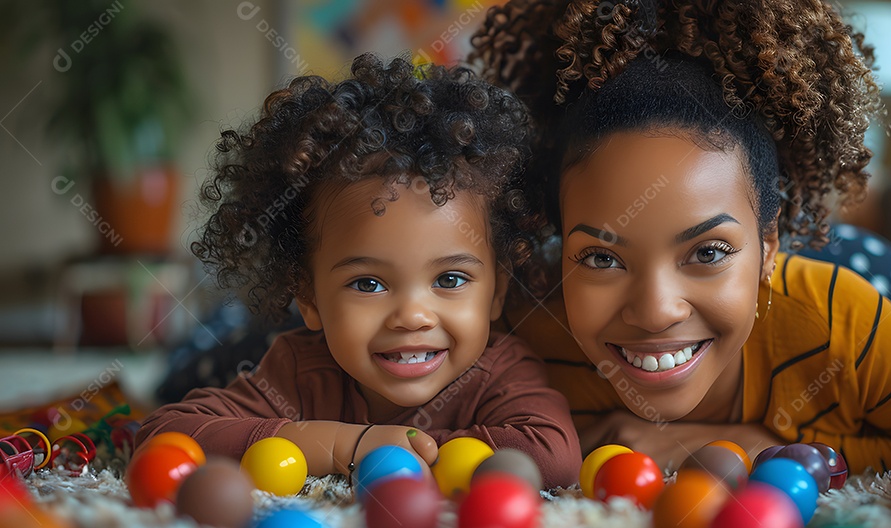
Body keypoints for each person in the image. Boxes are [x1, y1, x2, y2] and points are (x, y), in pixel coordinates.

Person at [470, 0, 891, 473]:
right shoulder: (529, 329)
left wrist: (756, 447)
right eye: (600, 257)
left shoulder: (849, 324)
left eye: (707, 251)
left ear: (768, 246)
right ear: (556, 243)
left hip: (870, 275)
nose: (655, 311)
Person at [135, 55, 582, 489]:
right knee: (200, 360)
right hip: (249, 340)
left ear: (497, 290)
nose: (412, 315)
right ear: (308, 296)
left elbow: (552, 455)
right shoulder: (297, 368)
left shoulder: (501, 371)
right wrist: (345, 445)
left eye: (450, 279)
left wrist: (398, 452)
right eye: (368, 284)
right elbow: (164, 436)